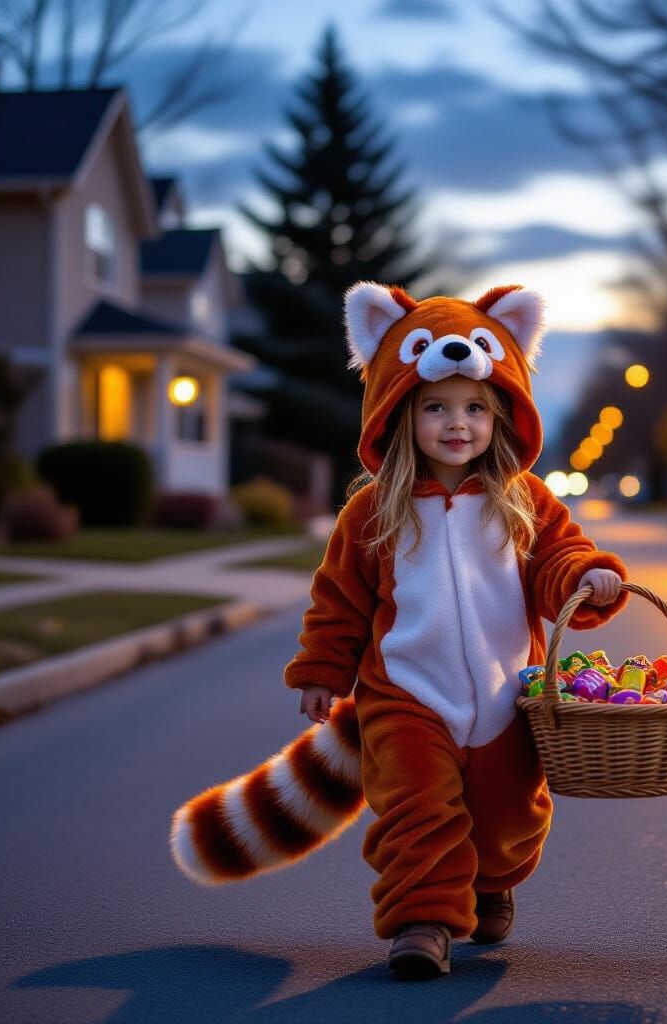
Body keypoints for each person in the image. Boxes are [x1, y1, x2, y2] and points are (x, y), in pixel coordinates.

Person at [170, 281, 630, 980]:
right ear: (398, 414)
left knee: (509, 818)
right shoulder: (372, 513)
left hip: (511, 695)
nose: (457, 423)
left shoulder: (524, 501)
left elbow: (559, 562)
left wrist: (585, 577)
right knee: (417, 809)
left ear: (502, 415)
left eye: (475, 407)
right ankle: (423, 921)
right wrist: (324, 672)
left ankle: (490, 879)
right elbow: (339, 600)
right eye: (435, 408)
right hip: (406, 693)